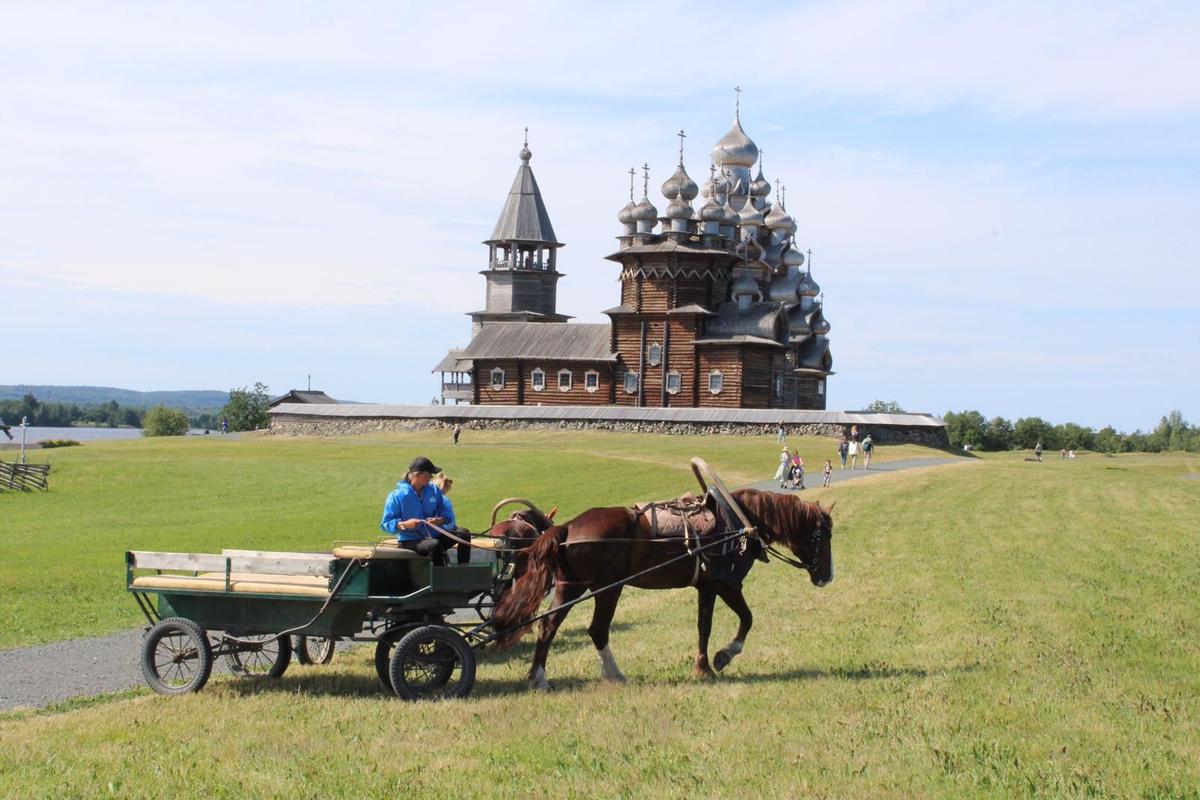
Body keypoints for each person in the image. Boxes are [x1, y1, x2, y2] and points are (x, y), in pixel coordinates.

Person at [379, 456, 457, 565]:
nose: (431, 477)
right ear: (417, 475)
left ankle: (464, 568)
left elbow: (445, 511)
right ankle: (440, 576)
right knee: (434, 545)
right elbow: (386, 523)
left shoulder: (434, 490)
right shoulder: (396, 495)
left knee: (463, 534)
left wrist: (440, 520)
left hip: (433, 535)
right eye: (429, 474)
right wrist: (405, 524)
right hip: (410, 540)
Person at [433, 472, 471, 564]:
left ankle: (463, 564)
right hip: (439, 533)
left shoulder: (445, 498)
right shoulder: (437, 499)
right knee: (463, 533)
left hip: (449, 530)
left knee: (464, 533)